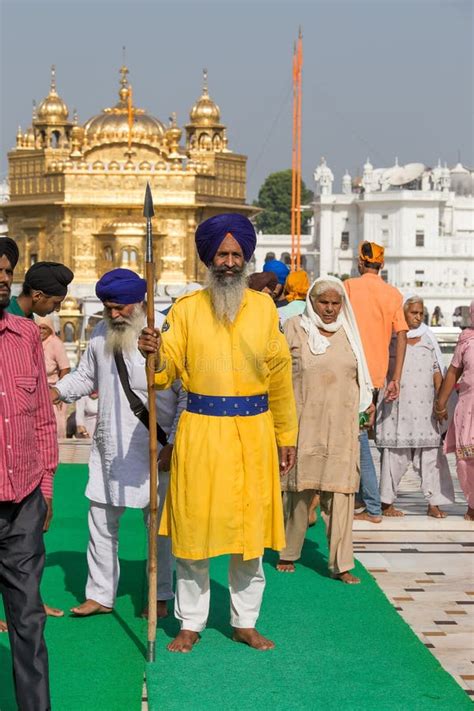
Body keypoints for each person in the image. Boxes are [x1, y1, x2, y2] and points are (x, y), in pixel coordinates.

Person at [138, 213, 297, 653]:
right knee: (193, 534)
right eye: (221, 254)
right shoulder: (185, 311)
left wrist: (287, 436)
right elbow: (164, 375)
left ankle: (245, 622)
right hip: (201, 435)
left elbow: (280, 375)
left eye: (235, 254)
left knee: (249, 538)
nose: (228, 261)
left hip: (254, 435)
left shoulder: (265, 309)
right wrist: (151, 352)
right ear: (208, 258)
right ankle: (191, 622)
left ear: (246, 257)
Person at [51, 269, 186, 618]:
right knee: (100, 521)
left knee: (158, 528)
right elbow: (85, 376)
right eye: (108, 307)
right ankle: (100, 594)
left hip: (154, 450)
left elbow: (186, 391)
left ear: (139, 302)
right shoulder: (100, 333)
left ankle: (160, 594)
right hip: (109, 448)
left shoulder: (166, 335)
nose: (113, 315)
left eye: (120, 308)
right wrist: (56, 391)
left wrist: (173, 442)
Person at [277, 276, 373, 583]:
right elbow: (278, 374)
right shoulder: (294, 327)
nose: (330, 309)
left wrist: (366, 406)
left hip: (342, 425)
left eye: (335, 303)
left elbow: (361, 376)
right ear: (311, 301)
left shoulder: (350, 333)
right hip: (304, 422)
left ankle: (341, 564)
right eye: (323, 302)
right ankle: (288, 552)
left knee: (342, 493)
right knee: (298, 490)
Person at [0, 237, 58, 711]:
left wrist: (47, 486)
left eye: (6, 270)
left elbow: (42, 418)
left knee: (29, 622)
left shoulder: (25, 339)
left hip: (21, 503)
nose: (3, 277)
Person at [344, 241, 408, 523]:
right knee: (356, 435)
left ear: (361, 263)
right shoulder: (392, 294)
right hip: (377, 376)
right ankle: (362, 501)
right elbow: (402, 335)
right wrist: (395, 377)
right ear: (381, 265)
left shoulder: (348, 287)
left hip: (350, 370)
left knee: (356, 439)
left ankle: (371, 506)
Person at [376, 295, 455, 518]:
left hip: (424, 410)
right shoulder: (392, 337)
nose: (418, 317)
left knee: (431, 456)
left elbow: (437, 370)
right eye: (414, 313)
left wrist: (440, 403)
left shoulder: (428, 338)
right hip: (396, 408)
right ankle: (386, 503)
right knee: (393, 456)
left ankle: (434, 503)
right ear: (404, 313)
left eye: (421, 313)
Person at [435, 300, 474, 521]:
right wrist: (440, 402)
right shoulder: (466, 340)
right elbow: (453, 372)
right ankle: (472, 504)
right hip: (468, 408)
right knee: (465, 462)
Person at [36, 315, 71, 438]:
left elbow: (65, 368)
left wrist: (59, 391)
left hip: (53, 391)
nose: (41, 331)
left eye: (44, 328)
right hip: (37, 391)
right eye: (38, 328)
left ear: (50, 329)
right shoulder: (33, 343)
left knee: (56, 427)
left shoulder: (56, 343)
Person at [6, 260, 74, 319]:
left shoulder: (26, 317)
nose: (58, 309)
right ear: (37, 296)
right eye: (56, 303)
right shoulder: (5, 318)